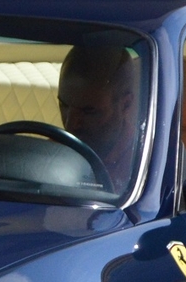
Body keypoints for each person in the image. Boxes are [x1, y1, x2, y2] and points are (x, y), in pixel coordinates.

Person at [57, 42, 144, 193]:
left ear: (125, 105)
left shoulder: (150, 166)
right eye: (64, 105)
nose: (71, 125)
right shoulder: (51, 154)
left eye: (89, 111)